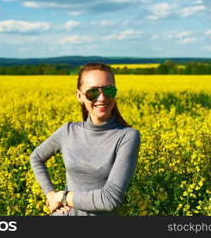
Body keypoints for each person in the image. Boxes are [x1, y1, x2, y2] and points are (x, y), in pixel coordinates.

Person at [29, 62, 141, 216]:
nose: (102, 98)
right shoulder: (68, 131)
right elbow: (36, 157)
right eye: (92, 92)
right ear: (79, 96)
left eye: (109, 90)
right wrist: (50, 194)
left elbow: (109, 199)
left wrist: (62, 197)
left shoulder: (126, 136)